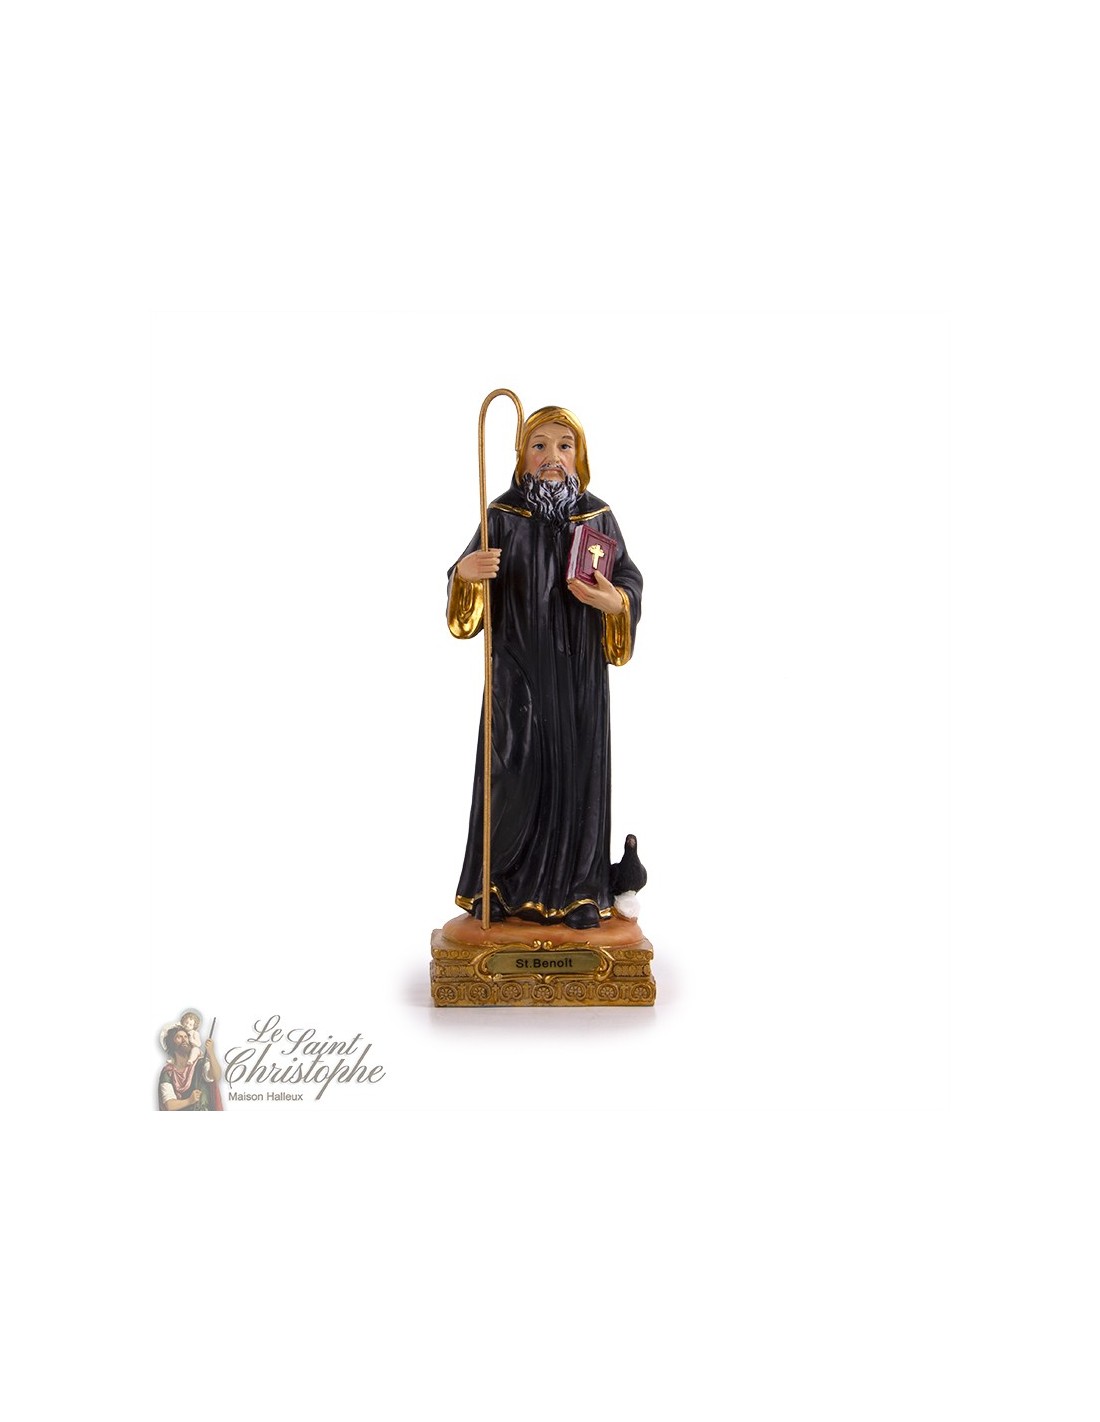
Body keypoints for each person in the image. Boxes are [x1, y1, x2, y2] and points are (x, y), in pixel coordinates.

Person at [447, 405, 642, 930]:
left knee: (578, 778)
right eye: (539, 445)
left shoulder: (596, 518)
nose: (551, 456)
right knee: (511, 776)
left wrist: (616, 603)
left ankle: (581, 891)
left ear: (579, 456)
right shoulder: (501, 516)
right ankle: (496, 886)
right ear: (522, 456)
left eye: (563, 445)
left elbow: (628, 580)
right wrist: (465, 576)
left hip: (579, 679)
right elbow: (464, 616)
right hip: (518, 676)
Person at [158, 1022, 223, 1110]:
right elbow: (169, 1105)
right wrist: (189, 1101)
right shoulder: (168, 1072)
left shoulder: (199, 1063)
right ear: (171, 1043)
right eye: (179, 1037)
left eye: (186, 1037)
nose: (184, 1040)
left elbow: (216, 1076)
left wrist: (211, 1053)